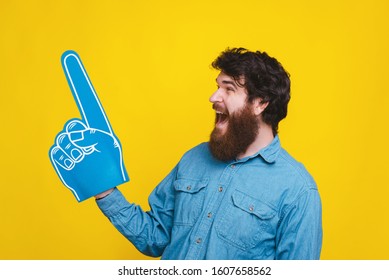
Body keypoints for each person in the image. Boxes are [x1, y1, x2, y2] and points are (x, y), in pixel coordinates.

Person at [94, 48, 322, 260]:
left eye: (229, 89)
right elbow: (156, 237)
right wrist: (104, 190)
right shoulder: (193, 159)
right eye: (217, 86)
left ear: (260, 103)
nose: (213, 97)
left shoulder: (297, 190)